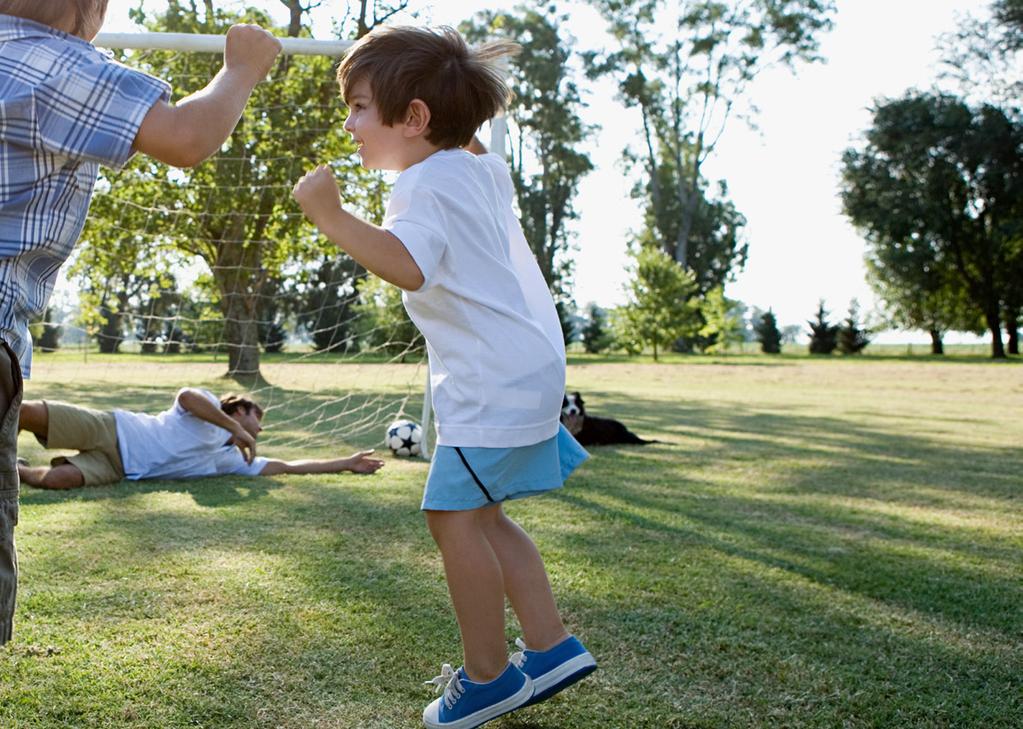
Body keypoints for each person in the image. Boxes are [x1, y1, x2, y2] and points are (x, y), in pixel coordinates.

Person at [293, 25, 596, 729]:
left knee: (450, 516)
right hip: (527, 369)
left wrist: (331, 215)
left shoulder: (422, 184)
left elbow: (409, 263)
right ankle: (550, 646)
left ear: (416, 118)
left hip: (490, 380)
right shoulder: (472, 167)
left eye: (361, 106)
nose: (349, 124)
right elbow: (471, 142)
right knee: (484, 515)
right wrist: (457, 89)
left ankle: (488, 677)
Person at [0, 0, 283, 644]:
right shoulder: (59, 60)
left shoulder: (226, 457)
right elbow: (188, 135)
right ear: (88, 9)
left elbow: (282, 469)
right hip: (90, 407)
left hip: (127, 463)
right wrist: (241, 68)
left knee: (60, 464)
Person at [15, 390, 384, 489]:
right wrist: (235, 429)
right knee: (26, 411)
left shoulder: (229, 460)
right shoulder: (207, 407)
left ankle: (14, 468)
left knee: (58, 480)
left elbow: (287, 466)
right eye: (259, 418)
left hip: (118, 468)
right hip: (114, 428)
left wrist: (346, 463)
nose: (260, 429)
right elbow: (186, 397)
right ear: (239, 409)